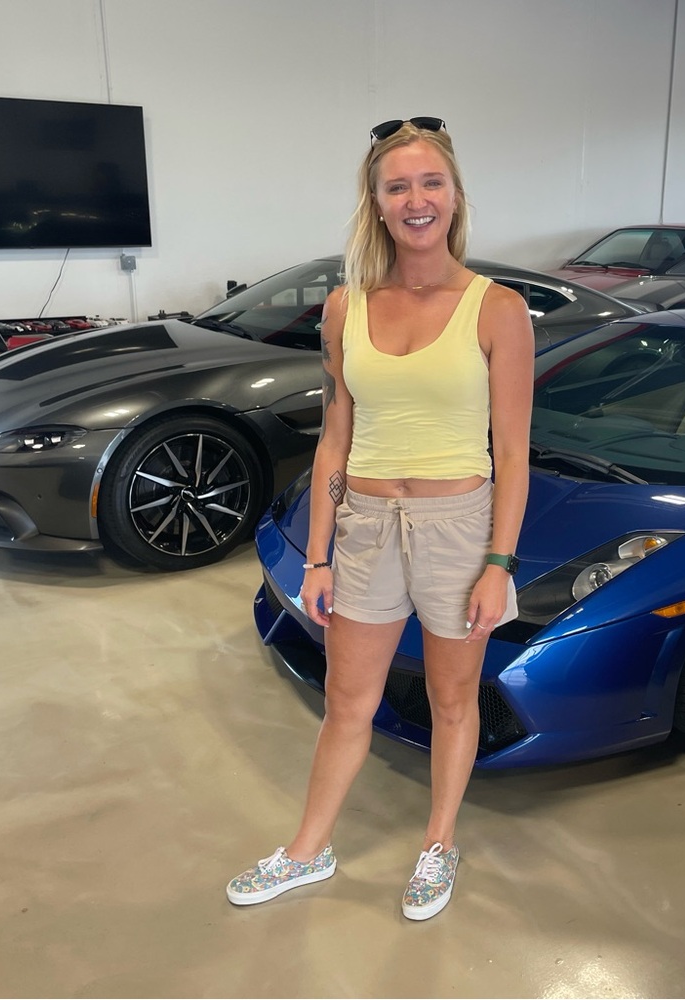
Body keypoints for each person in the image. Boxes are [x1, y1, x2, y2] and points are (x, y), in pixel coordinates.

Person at [226, 117, 534, 920]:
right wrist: (319, 558)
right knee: (347, 703)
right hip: (363, 526)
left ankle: (439, 844)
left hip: (458, 531)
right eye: (397, 185)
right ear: (376, 202)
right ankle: (307, 851)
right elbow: (334, 443)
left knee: (451, 699)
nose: (416, 199)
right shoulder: (344, 309)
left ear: (455, 195)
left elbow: (514, 453)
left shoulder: (497, 309)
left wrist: (500, 566)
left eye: (430, 182)